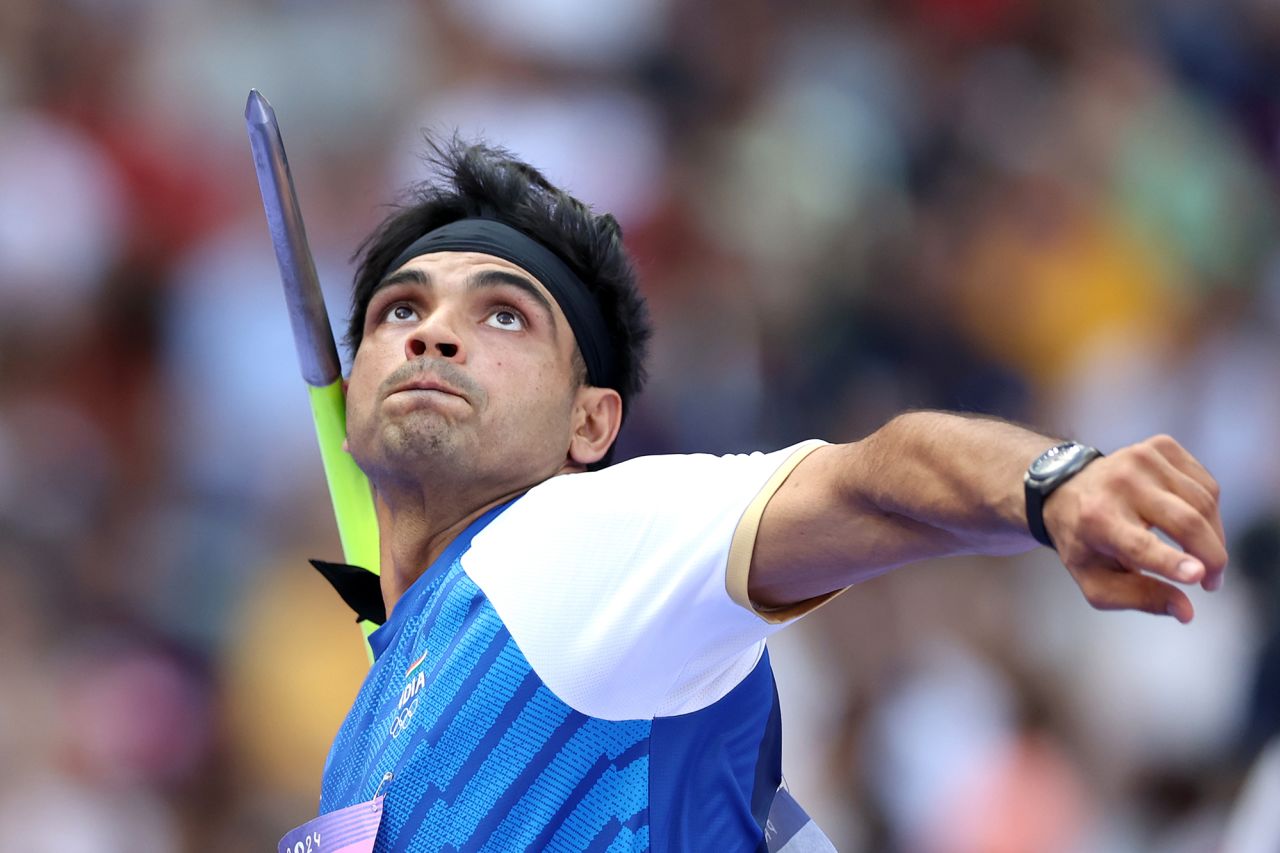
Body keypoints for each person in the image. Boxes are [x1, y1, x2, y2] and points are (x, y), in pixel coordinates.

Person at [309, 137, 1227, 852]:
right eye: (402, 310)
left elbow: (869, 478)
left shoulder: (564, 540)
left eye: (503, 313)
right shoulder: (367, 728)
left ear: (590, 426)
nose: (433, 335)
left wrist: (1052, 483)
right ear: (351, 414)